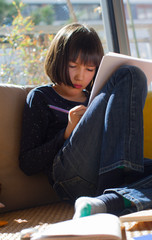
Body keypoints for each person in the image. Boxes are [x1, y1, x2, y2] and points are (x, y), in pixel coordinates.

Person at [19, 23, 150, 217]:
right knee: (131, 73)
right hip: (70, 178)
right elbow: (27, 163)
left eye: (90, 69)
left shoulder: (95, 97)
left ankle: (105, 203)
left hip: (102, 175)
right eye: (73, 66)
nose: (81, 75)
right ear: (58, 59)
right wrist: (66, 132)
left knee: (131, 74)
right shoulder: (41, 97)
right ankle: (123, 185)